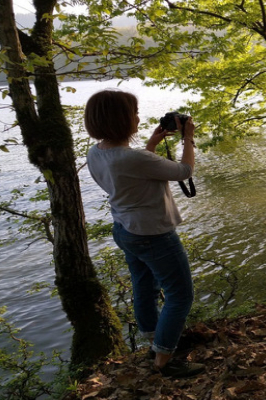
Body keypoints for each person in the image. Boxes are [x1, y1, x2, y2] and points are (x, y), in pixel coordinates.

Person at [84, 89, 204, 378]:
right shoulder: (130, 158)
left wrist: (152, 142)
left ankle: (157, 341)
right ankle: (164, 360)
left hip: (125, 229)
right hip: (154, 234)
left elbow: (135, 170)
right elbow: (185, 170)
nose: (138, 118)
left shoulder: (98, 153)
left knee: (144, 288)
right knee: (180, 295)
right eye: (133, 113)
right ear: (121, 119)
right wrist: (188, 137)